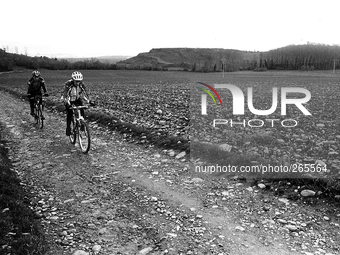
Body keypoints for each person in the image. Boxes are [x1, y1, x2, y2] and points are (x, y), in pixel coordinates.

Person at [62, 71, 94, 136]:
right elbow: (65, 95)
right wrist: (67, 103)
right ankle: (68, 128)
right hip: (69, 99)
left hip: (77, 99)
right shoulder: (68, 84)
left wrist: (89, 101)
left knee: (82, 110)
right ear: (73, 80)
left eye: (79, 81)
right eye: (76, 81)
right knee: (70, 113)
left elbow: (85, 93)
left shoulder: (81, 85)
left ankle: (82, 124)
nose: (78, 83)